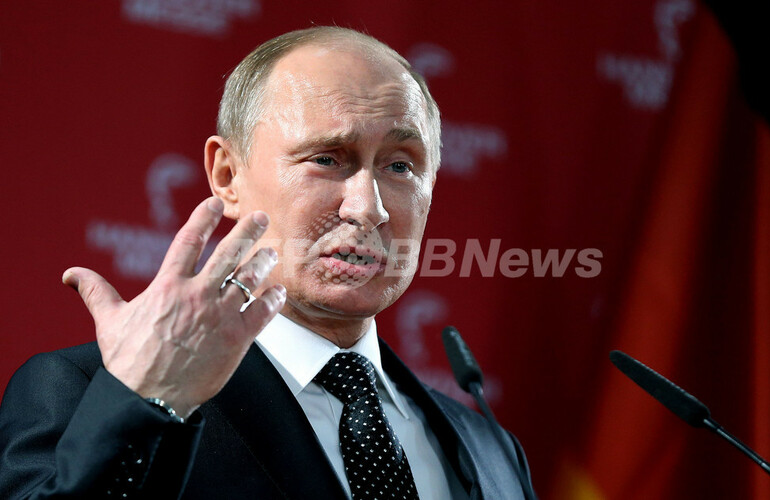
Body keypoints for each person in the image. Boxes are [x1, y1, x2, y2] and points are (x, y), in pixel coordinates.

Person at [0, 27, 531, 499]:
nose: (368, 208)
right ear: (227, 176)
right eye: (326, 159)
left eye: (399, 166)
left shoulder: (493, 450)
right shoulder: (87, 394)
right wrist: (148, 404)